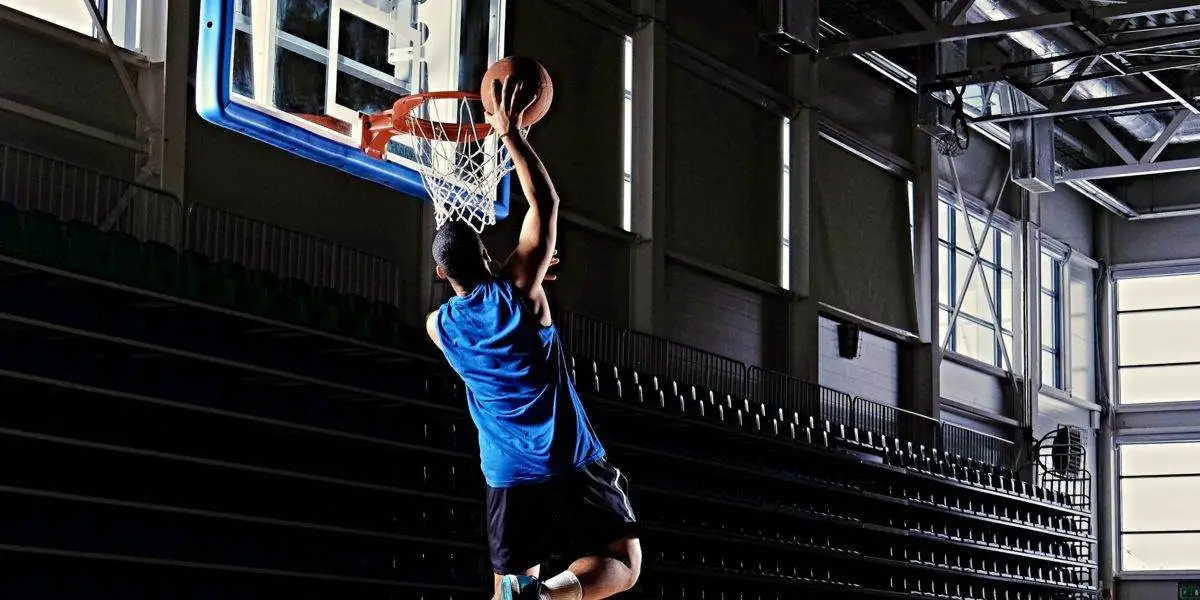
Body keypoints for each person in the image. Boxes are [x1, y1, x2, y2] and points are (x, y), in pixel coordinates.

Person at [424, 76, 642, 600]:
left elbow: (485, 299)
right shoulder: (522, 292)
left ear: (439, 274)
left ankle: (525, 595)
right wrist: (511, 134)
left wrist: (531, 275)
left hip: (505, 472)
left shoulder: (439, 328)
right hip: (566, 454)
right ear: (485, 252)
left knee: (506, 582)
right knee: (622, 562)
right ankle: (549, 596)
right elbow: (545, 200)